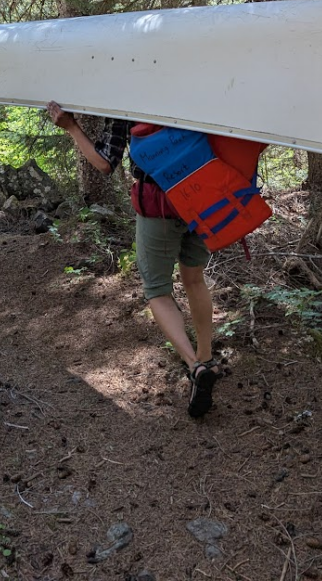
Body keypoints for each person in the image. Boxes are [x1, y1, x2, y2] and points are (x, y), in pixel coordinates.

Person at [46, 101, 222, 418]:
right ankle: (206, 356)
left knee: (157, 289)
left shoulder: (127, 97)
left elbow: (102, 163)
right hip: (204, 194)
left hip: (159, 202)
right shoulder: (192, 85)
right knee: (194, 279)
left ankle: (195, 368)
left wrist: (71, 126)